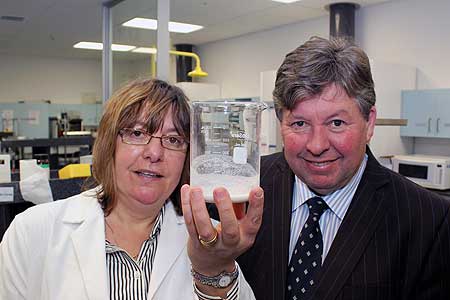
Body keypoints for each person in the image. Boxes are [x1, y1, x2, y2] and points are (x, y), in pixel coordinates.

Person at [0, 78, 264, 300]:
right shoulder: (31, 233)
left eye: (173, 139)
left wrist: (214, 272)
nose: (154, 153)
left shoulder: (210, 240)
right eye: (137, 133)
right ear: (108, 143)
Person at [236, 37, 450, 300]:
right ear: (281, 123)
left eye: (336, 123)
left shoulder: (429, 220)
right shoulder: (245, 188)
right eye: (300, 124)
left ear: (369, 123)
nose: (316, 145)